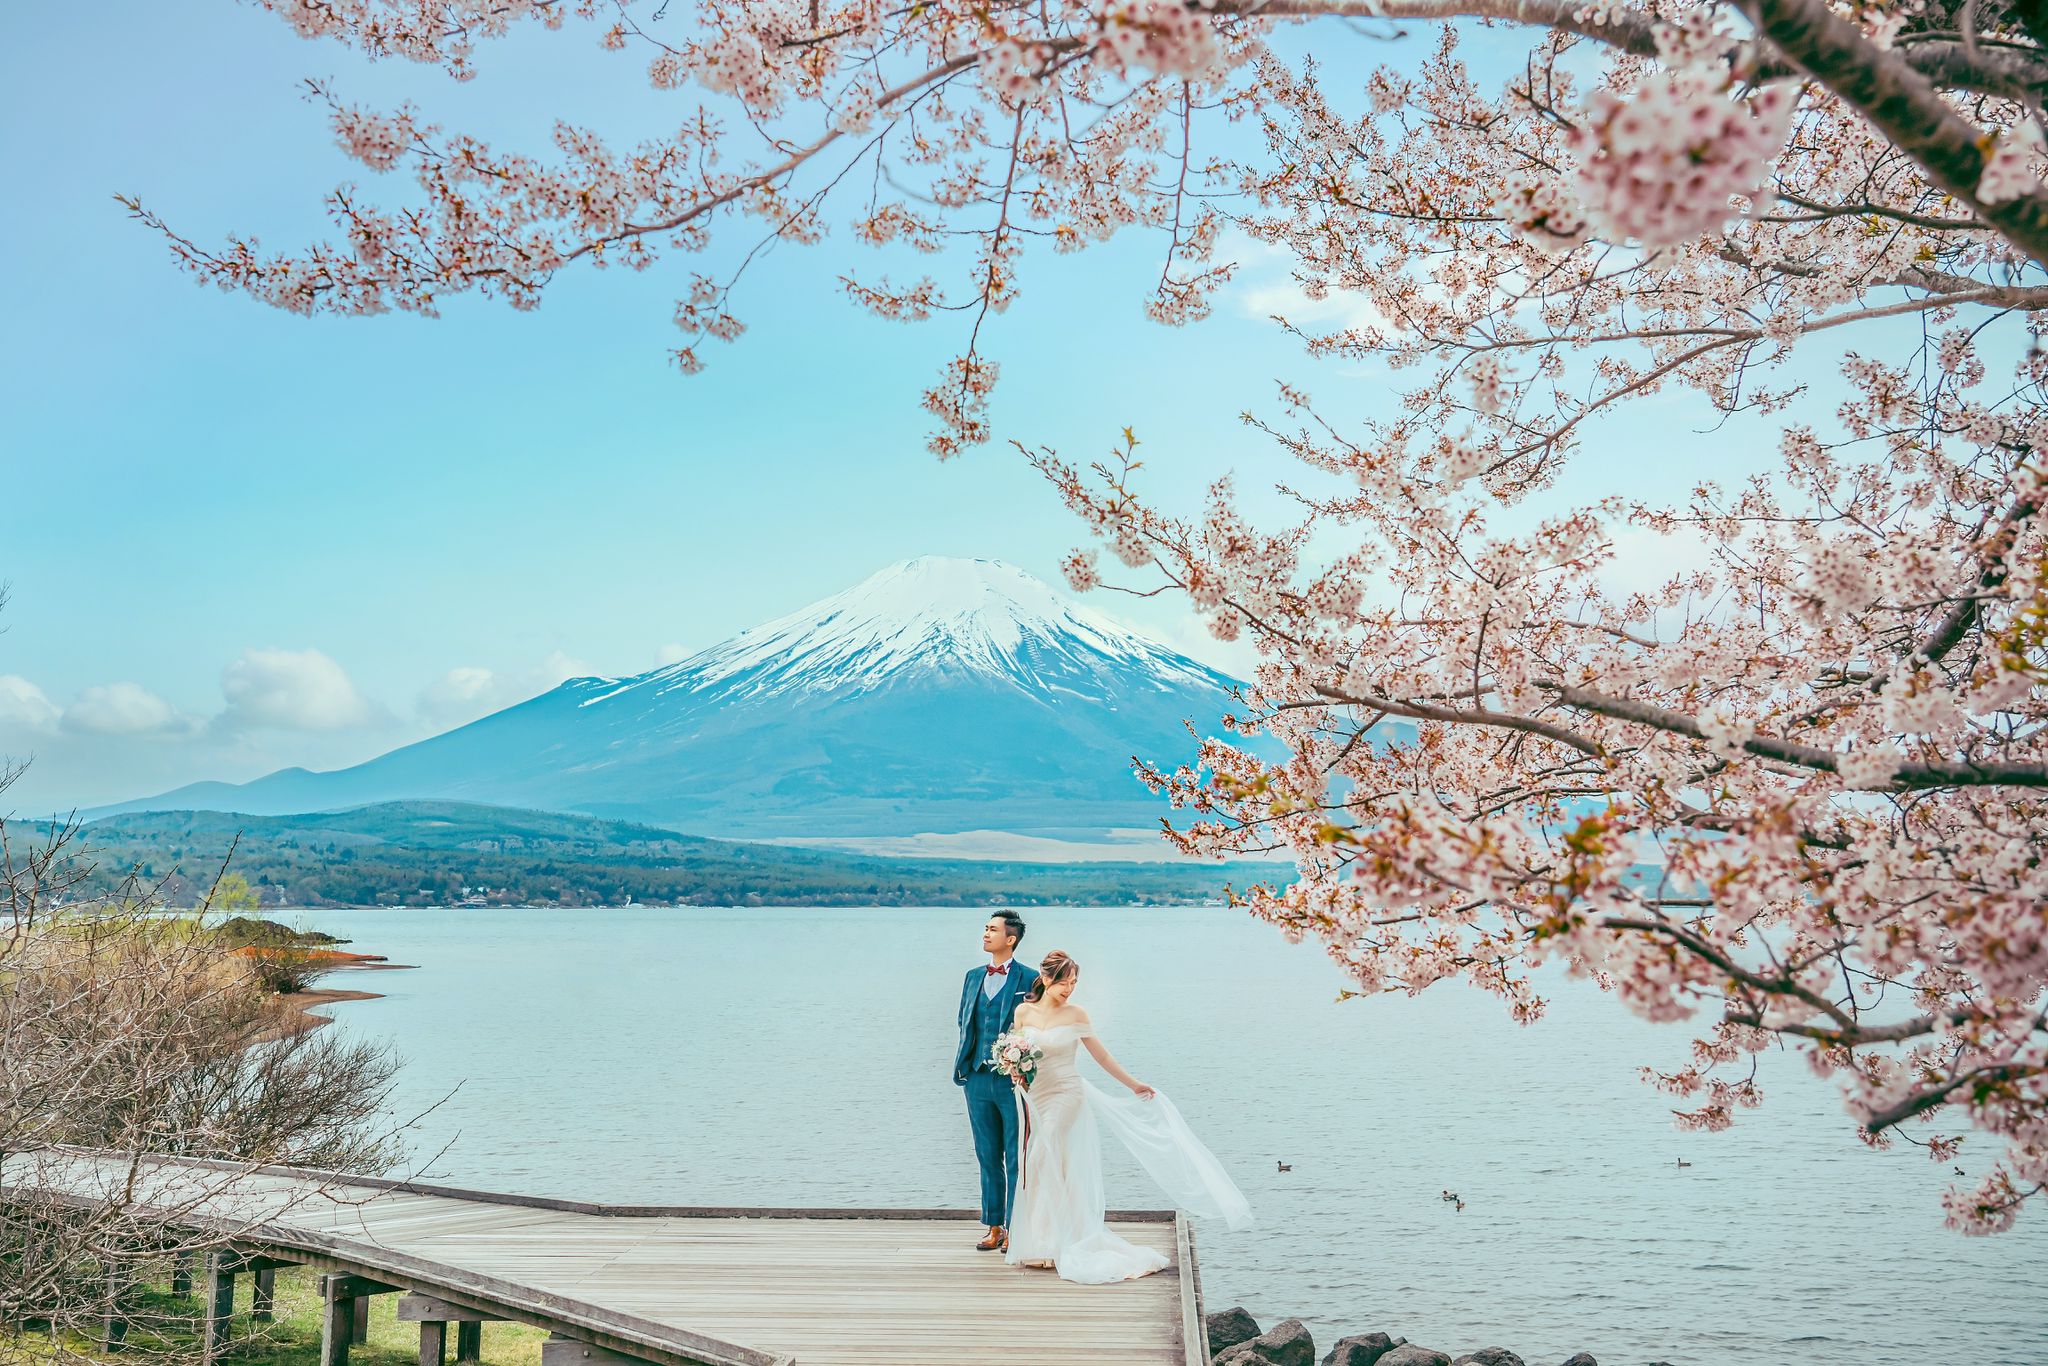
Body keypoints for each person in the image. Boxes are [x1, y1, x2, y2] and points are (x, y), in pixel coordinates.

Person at [1003, 949, 1253, 1283]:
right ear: (1047, 978)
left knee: (1040, 1156)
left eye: (1075, 982)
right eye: (1065, 982)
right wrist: (1015, 1072)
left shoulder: (1077, 1015)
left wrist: (1134, 1085)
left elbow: (1102, 1057)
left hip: (1067, 1093)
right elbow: (1016, 1050)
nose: (1070, 988)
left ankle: (1056, 1244)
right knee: (1050, 1163)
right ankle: (1045, 1240)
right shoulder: (1023, 1011)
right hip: (1036, 1095)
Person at [953, 911, 1040, 1253]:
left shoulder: (1031, 979)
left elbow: (1037, 1027)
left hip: (1013, 1082)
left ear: (1011, 938)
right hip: (976, 1078)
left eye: (993, 929)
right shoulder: (973, 976)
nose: (986, 934)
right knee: (987, 1155)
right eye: (986, 928)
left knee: (1017, 1156)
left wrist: (1022, 1064)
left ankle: (1018, 1227)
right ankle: (995, 1227)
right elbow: (963, 1020)